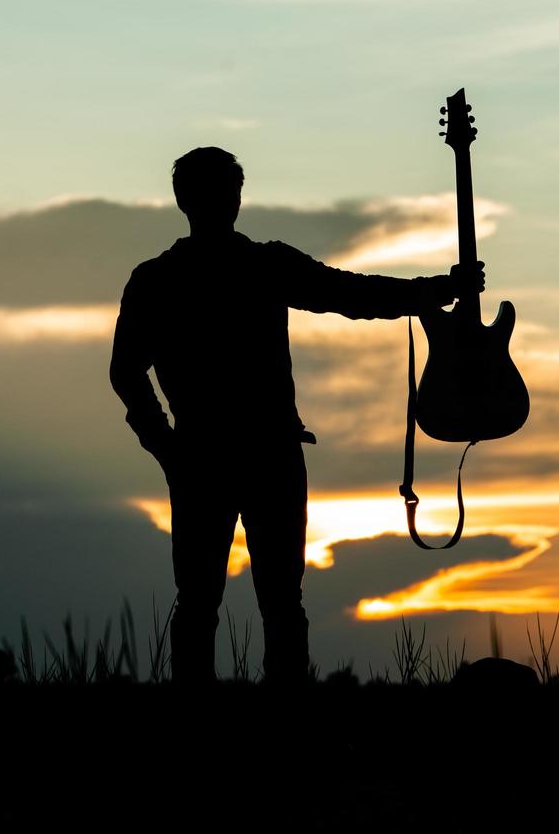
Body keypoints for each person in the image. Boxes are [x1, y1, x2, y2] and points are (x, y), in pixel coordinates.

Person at [108, 146, 485, 685]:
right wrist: (167, 448)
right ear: (206, 200)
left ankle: (227, 728)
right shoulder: (239, 268)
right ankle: (276, 727)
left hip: (224, 456)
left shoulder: (165, 278)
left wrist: (439, 290)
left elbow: (352, 294)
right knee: (258, 602)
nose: (227, 201)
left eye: (228, 191)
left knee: (221, 603)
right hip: (247, 455)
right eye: (222, 192)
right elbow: (352, 295)